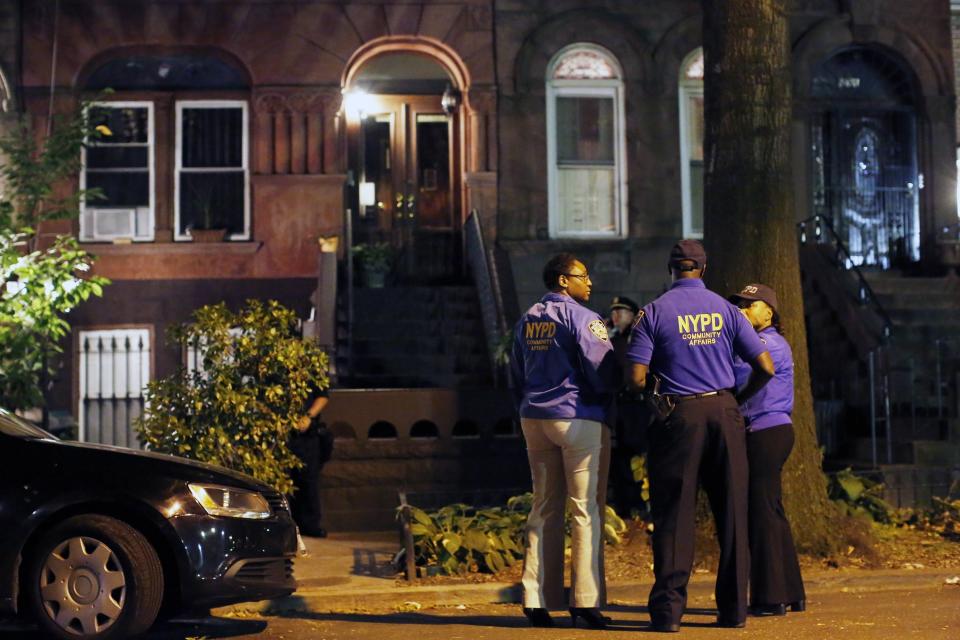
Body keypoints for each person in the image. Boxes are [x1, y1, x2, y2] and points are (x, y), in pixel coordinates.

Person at [625, 239, 775, 632]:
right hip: (724, 412)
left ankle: (669, 613)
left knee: (675, 513)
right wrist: (736, 399)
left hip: (679, 415)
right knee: (732, 513)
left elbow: (636, 377)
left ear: (671, 269)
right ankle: (732, 612)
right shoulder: (728, 311)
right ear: (704, 270)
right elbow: (766, 366)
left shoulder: (653, 312)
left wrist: (654, 388)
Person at [510, 253, 620, 629]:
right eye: (582, 276)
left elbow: (514, 371)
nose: (589, 283)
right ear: (562, 281)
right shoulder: (584, 318)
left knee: (543, 506)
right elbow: (602, 371)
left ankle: (535, 597)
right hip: (577, 416)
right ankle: (585, 601)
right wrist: (607, 401)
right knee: (584, 510)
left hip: (533, 416)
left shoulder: (527, 319)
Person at [729, 283, 806, 617]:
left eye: (751, 305)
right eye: (740, 305)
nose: (743, 310)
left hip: (764, 431)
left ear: (769, 311)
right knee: (770, 510)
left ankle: (769, 597)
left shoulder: (767, 344)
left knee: (760, 512)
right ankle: (791, 592)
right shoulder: (761, 342)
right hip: (768, 431)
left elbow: (733, 376)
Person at [607, 296, 651, 515]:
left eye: (621, 311)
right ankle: (625, 505)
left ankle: (641, 504)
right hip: (619, 406)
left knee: (639, 456)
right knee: (620, 458)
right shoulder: (611, 340)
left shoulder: (639, 339)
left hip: (637, 407)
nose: (615, 316)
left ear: (633, 315)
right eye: (614, 312)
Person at [288, 383, 333, 538]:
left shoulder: (308, 367)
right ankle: (288, 525)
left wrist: (308, 416)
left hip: (306, 436)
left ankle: (310, 525)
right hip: (281, 434)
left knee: (308, 481)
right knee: (285, 483)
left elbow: (323, 395)